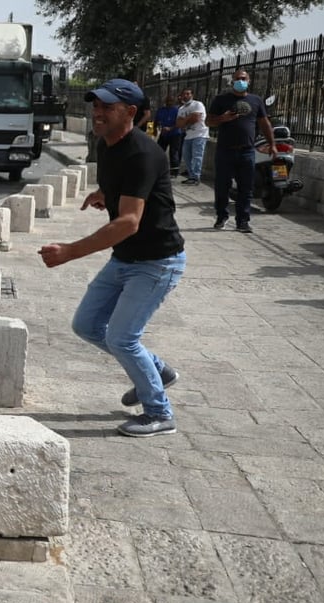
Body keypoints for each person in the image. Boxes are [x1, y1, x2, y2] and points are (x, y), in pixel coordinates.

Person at [38, 78, 186, 438]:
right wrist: (104, 193)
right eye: (96, 105)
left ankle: (158, 413)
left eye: (107, 107)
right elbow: (123, 188)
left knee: (122, 337)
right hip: (126, 259)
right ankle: (157, 372)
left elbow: (129, 223)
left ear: (131, 113)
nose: (98, 113)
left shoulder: (143, 153)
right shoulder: (106, 145)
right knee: (86, 325)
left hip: (156, 262)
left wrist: (70, 251)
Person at [208, 68, 274, 233]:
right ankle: (221, 217)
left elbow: (264, 123)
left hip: (247, 152)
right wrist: (223, 118)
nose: (240, 81)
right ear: (232, 81)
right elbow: (209, 121)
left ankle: (242, 221)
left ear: (249, 81)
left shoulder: (256, 100)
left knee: (246, 188)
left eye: (243, 78)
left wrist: (272, 143)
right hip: (225, 150)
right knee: (222, 186)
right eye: (237, 78)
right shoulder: (221, 100)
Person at [175, 87, 208, 185]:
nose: (186, 96)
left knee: (197, 156)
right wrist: (188, 118)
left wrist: (184, 120)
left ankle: (196, 177)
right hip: (188, 135)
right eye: (184, 94)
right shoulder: (181, 108)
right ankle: (191, 176)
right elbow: (178, 124)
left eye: (188, 94)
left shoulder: (197, 104)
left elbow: (196, 118)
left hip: (200, 133)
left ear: (192, 95)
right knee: (186, 156)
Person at [153, 93, 184, 175]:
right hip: (164, 134)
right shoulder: (161, 110)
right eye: (167, 101)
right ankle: (157, 168)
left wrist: (170, 128)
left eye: (171, 101)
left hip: (175, 134)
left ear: (173, 102)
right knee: (159, 151)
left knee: (173, 153)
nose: (169, 102)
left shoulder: (177, 111)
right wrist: (154, 130)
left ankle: (174, 171)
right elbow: (156, 120)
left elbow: (179, 123)